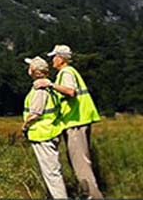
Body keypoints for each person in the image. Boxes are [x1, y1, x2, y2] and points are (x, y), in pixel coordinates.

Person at [35, 44, 103, 199]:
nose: (52, 60)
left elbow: (70, 91)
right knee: (80, 162)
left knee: (81, 165)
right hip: (77, 122)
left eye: (54, 57)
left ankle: (93, 196)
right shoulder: (67, 73)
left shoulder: (66, 73)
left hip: (75, 123)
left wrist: (49, 84)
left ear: (60, 58)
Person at [22, 56, 68, 199]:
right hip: (49, 132)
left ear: (34, 71)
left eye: (30, 67)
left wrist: (24, 126)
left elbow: (35, 113)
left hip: (42, 135)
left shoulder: (39, 90)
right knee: (51, 171)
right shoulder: (48, 87)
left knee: (51, 173)